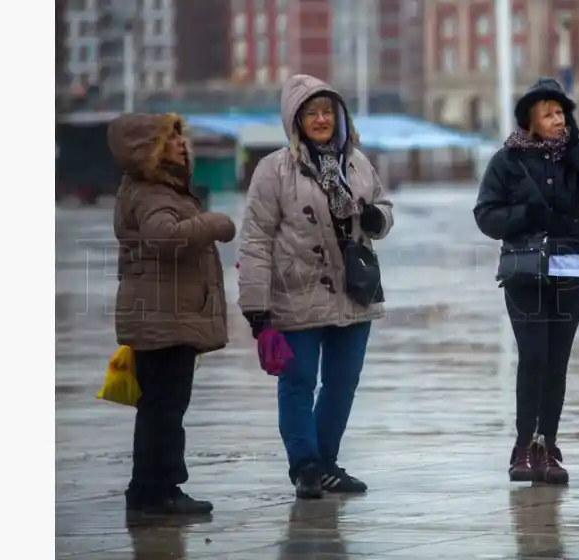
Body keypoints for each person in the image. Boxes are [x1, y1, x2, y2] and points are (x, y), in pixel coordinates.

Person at [237, 74, 395, 500]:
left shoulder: (357, 162)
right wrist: (256, 307)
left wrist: (378, 217)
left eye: (328, 111)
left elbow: (382, 205)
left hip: (354, 292)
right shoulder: (274, 170)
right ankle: (304, 465)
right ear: (296, 120)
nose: (321, 119)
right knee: (297, 381)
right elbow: (254, 239)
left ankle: (327, 462)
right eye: (312, 113)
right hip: (295, 292)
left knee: (343, 382)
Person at [473, 77, 579, 485]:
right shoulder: (506, 160)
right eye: (548, 114)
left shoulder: (575, 156)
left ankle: (547, 446)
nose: (556, 120)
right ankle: (523, 447)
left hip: (570, 266)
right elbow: (486, 215)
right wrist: (526, 218)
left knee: (557, 361)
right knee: (533, 357)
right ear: (530, 121)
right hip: (524, 268)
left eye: (560, 113)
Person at [109, 113, 239, 514]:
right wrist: (212, 224)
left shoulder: (158, 188)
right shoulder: (152, 193)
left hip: (165, 314)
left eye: (182, 137)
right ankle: (157, 491)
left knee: (161, 407)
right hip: (162, 317)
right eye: (170, 139)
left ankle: (152, 488)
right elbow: (165, 237)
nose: (181, 145)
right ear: (148, 149)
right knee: (164, 408)